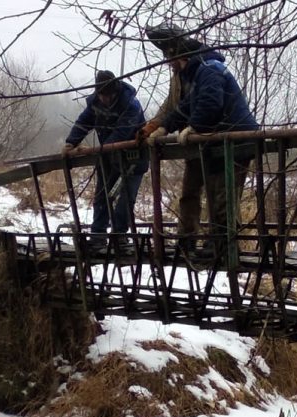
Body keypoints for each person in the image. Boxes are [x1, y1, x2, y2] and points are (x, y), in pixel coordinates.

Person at [139, 24, 259, 259]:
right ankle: (216, 244)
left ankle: (224, 247)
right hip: (219, 143)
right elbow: (185, 106)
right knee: (216, 194)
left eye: (170, 58)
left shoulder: (209, 69)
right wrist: (164, 126)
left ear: (181, 56)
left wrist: (195, 127)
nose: (169, 64)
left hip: (236, 142)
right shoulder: (197, 73)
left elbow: (210, 103)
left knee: (224, 195)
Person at [64, 70, 148, 252]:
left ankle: (119, 237)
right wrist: (71, 142)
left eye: (108, 96)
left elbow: (122, 133)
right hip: (108, 158)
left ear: (115, 92)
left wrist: (99, 149)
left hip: (133, 157)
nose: (105, 100)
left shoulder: (130, 105)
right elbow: (83, 122)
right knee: (102, 195)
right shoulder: (95, 103)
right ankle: (98, 236)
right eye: (102, 95)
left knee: (126, 198)